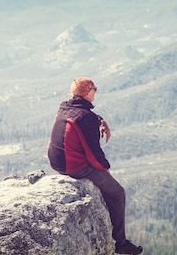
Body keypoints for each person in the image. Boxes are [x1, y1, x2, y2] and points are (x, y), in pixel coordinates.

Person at [47, 77, 143, 255]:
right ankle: (120, 243)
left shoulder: (65, 107)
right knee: (117, 192)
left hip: (56, 162)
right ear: (87, 92)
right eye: (94, 88)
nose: (96, 91)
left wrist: (99, 120)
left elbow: (82, 117)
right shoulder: (86, 118)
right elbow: (94, 153)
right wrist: (105, 168)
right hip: (74, 166)